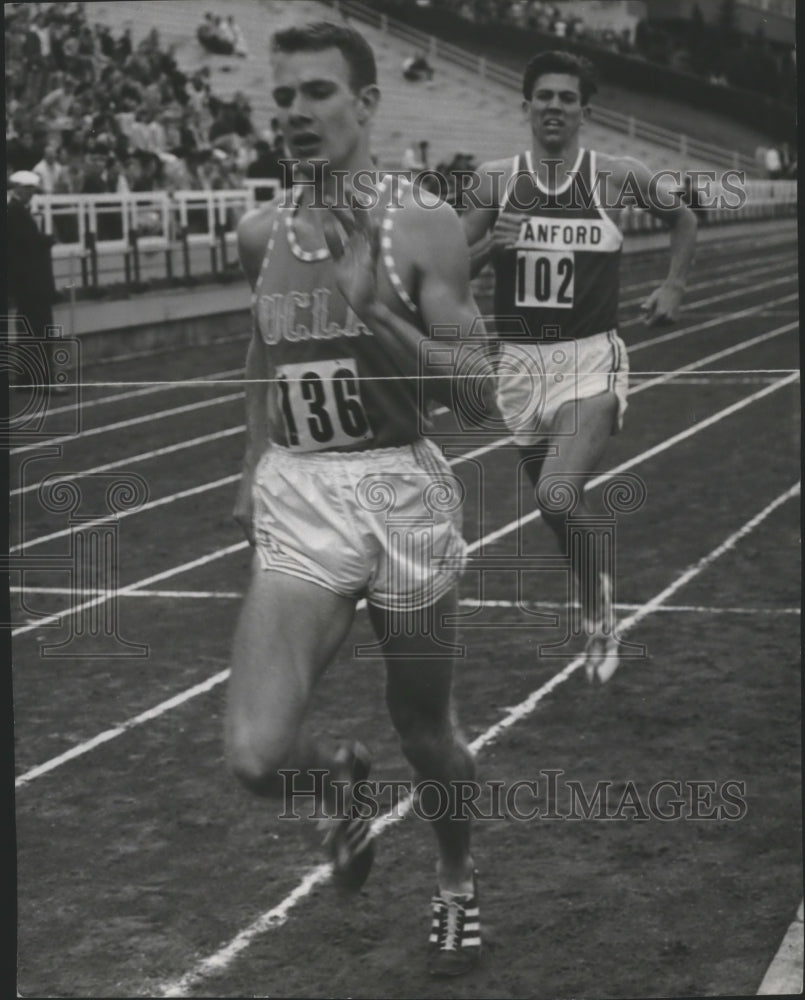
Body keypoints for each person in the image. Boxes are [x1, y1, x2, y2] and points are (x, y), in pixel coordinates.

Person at [227, 21, 486, 977]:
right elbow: (262, 349)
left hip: (399, 492)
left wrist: (376, 309)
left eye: (317, 93)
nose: (295, 112)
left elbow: (474, 388)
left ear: (366, 104)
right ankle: (337, 791)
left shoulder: (420, 224)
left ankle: (455, 881)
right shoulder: (258, 233)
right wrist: (251, 460)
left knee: (426, 733)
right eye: (283, 95)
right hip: (302, 495)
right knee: (257, 758)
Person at [460, 50, 697, 683]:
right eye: (545, 96)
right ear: (527, 106)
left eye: (568, 98)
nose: (555, 107)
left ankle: (598, 617)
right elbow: (446, 270)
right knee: (557, 509)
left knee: (558, 493)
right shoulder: (495, 182)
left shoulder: (616, 175)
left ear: (584, 112)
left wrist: (674, 285)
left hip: (590, 361)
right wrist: (491, 245)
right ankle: (597, 607)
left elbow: (683, 216)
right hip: (518, 368)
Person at [6, 170, 63, 389]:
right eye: (29, 189)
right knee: (39, 329)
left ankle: (27, 377)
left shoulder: (16, 211)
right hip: (31, 283)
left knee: (29, 329)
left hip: (26, 283)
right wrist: (46, 241)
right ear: (18, 189)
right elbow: (25, 246)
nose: (32, 193)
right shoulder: (15, 212)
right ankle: (42, 379)